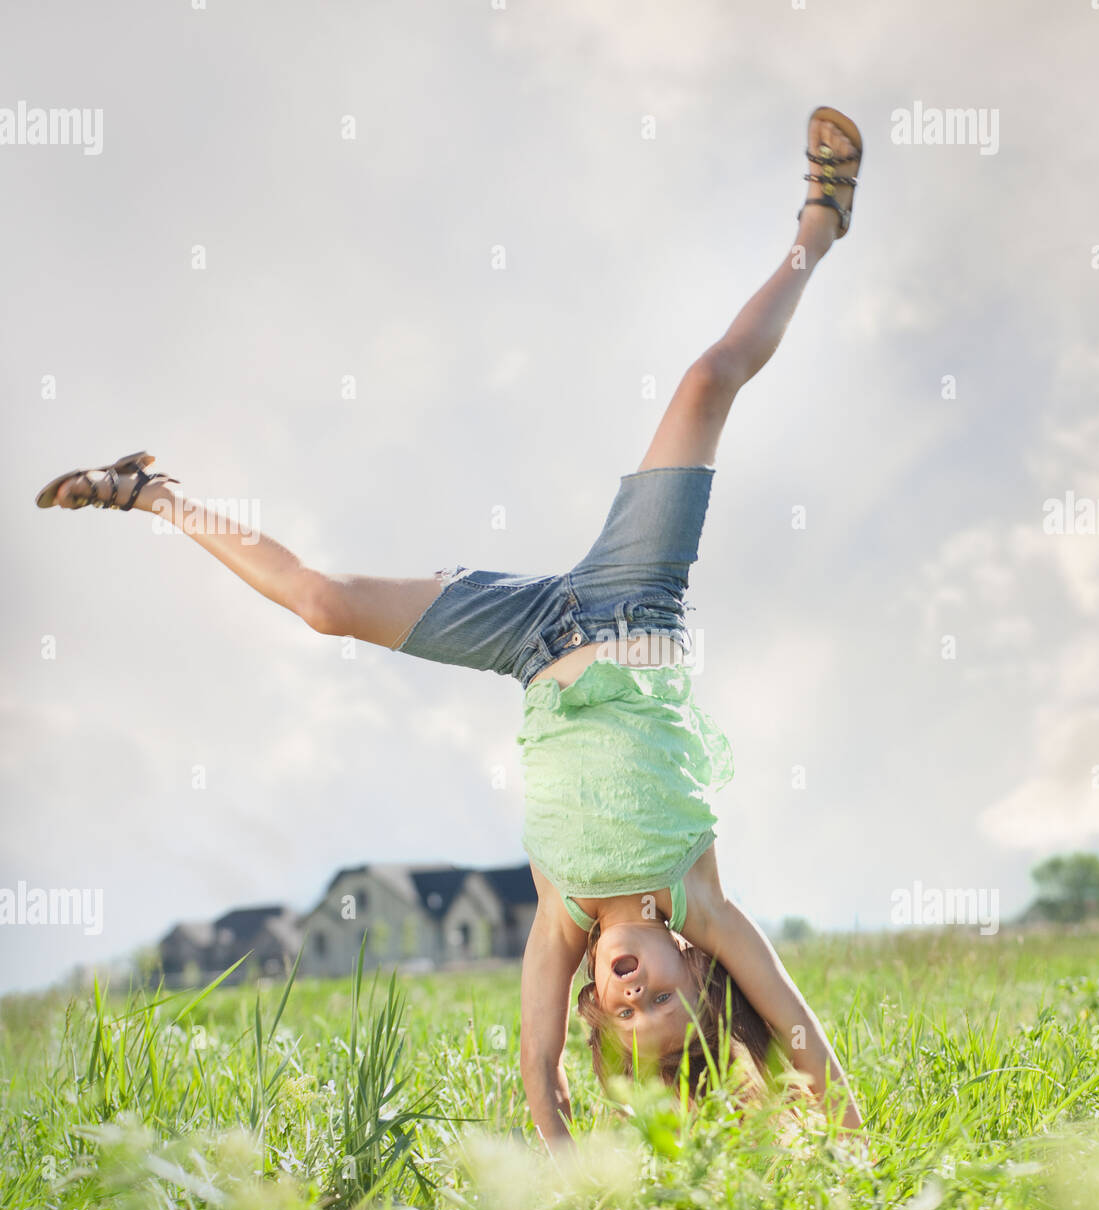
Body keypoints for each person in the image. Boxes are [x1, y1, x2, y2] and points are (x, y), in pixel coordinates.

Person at [35, 105, 868, 1155]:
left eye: (620, 1016)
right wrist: (850, 1141)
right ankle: (819, 226)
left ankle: (151, 493)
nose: (629, 995)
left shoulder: (560, 920)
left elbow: (537, 1071)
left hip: (526, 639)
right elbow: (797, 1029)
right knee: (706, 381)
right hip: (635, 598)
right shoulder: (695, 901)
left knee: (325, 605)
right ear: (695, 970)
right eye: (661, 1000)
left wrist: (565, 1159)